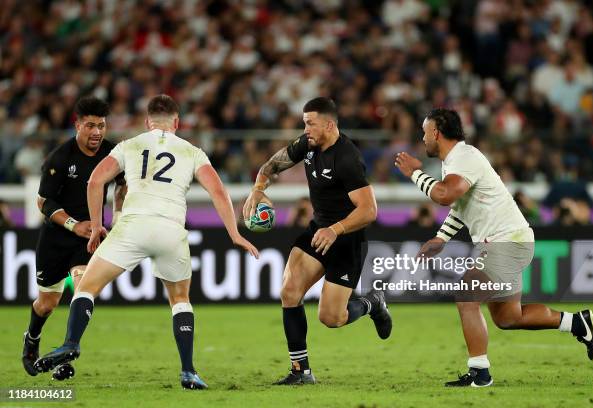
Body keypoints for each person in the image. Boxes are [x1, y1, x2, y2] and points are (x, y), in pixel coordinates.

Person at [35, 94, 259, 390]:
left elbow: (95, 182)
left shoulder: (131, 144)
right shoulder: (192, 151)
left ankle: (71, 343)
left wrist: (98, 228)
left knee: (86, 287)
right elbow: (219, 192)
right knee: (180, 300)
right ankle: (189, 372)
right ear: (177, 123)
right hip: (171, 230)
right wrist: (234, 234)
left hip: (133, 226)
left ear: (146, 122)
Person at [394, 108, 593, 387]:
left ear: (437, 133)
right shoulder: (457, 160)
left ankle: (480, 373)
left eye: (425, 131)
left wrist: (415, 173)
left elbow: (445, 195)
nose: (423, 137)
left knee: (466, 295)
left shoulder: (464, 157)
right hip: (511, 240)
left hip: (506, 241)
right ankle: (576, 323)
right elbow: (459, 206)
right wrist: (442, 238)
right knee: (508, 318)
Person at [243, 97, 391, 385]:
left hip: (347, 240)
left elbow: (369, 210)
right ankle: (301, 372)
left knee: (332, 318)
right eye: (304, 123)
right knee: (289, 291)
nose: (305, 128)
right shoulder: (308, 144)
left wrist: (335, 229)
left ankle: (373, 302)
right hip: (317, 231)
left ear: (329, 124)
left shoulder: (347, 158)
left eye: (310, 123)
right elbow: (271, 164)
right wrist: (257, 189)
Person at [22, 97, 127, 377]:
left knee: (83, 290)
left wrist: (116, 215)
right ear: (77, 125)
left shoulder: (112, 153)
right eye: (90, 125)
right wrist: (73, 224)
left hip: (89, 238)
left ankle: (67, 350)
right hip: (57, 237)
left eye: (101, 126)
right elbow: (44, 202)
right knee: (47, 304)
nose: (97, 132)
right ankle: (32, 338)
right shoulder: (60, 157)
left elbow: (123, 184)